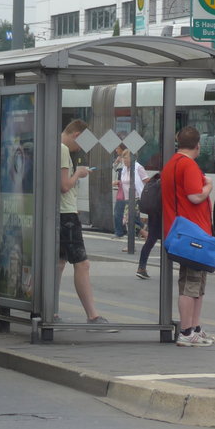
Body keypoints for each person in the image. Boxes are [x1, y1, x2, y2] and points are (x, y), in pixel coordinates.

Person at [162, 125, 215, 347]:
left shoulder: (171, 164)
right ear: (198, 146)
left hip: (179, 231)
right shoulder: (189, 165)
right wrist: (209, 186)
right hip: (194, 234)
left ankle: (194, 327)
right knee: (191, 284)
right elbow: (195, 196)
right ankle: (186, 331)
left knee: (195, 283)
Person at [57, 120, 114, 328]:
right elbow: (64, 185)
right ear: (76, 134)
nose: (79, 148)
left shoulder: (54, 146)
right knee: (82, 264)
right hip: (67, 216)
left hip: (58, 214)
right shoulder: (63, 149)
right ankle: (93, 316)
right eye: (80, 143)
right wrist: (78, 174)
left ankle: (50, 309)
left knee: (59, 264)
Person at [112, 148, 146, 241]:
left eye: (126, 158)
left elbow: (146, 181)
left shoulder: (138, 167)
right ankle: (144, 233)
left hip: (135, 197)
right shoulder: (124, 169)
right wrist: (118, 182)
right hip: (126, 197)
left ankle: (132, 242)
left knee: (129, 220)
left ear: (133, 158)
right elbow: (124, 182)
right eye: (123, 158)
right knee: (129, 219)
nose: (124, 160)